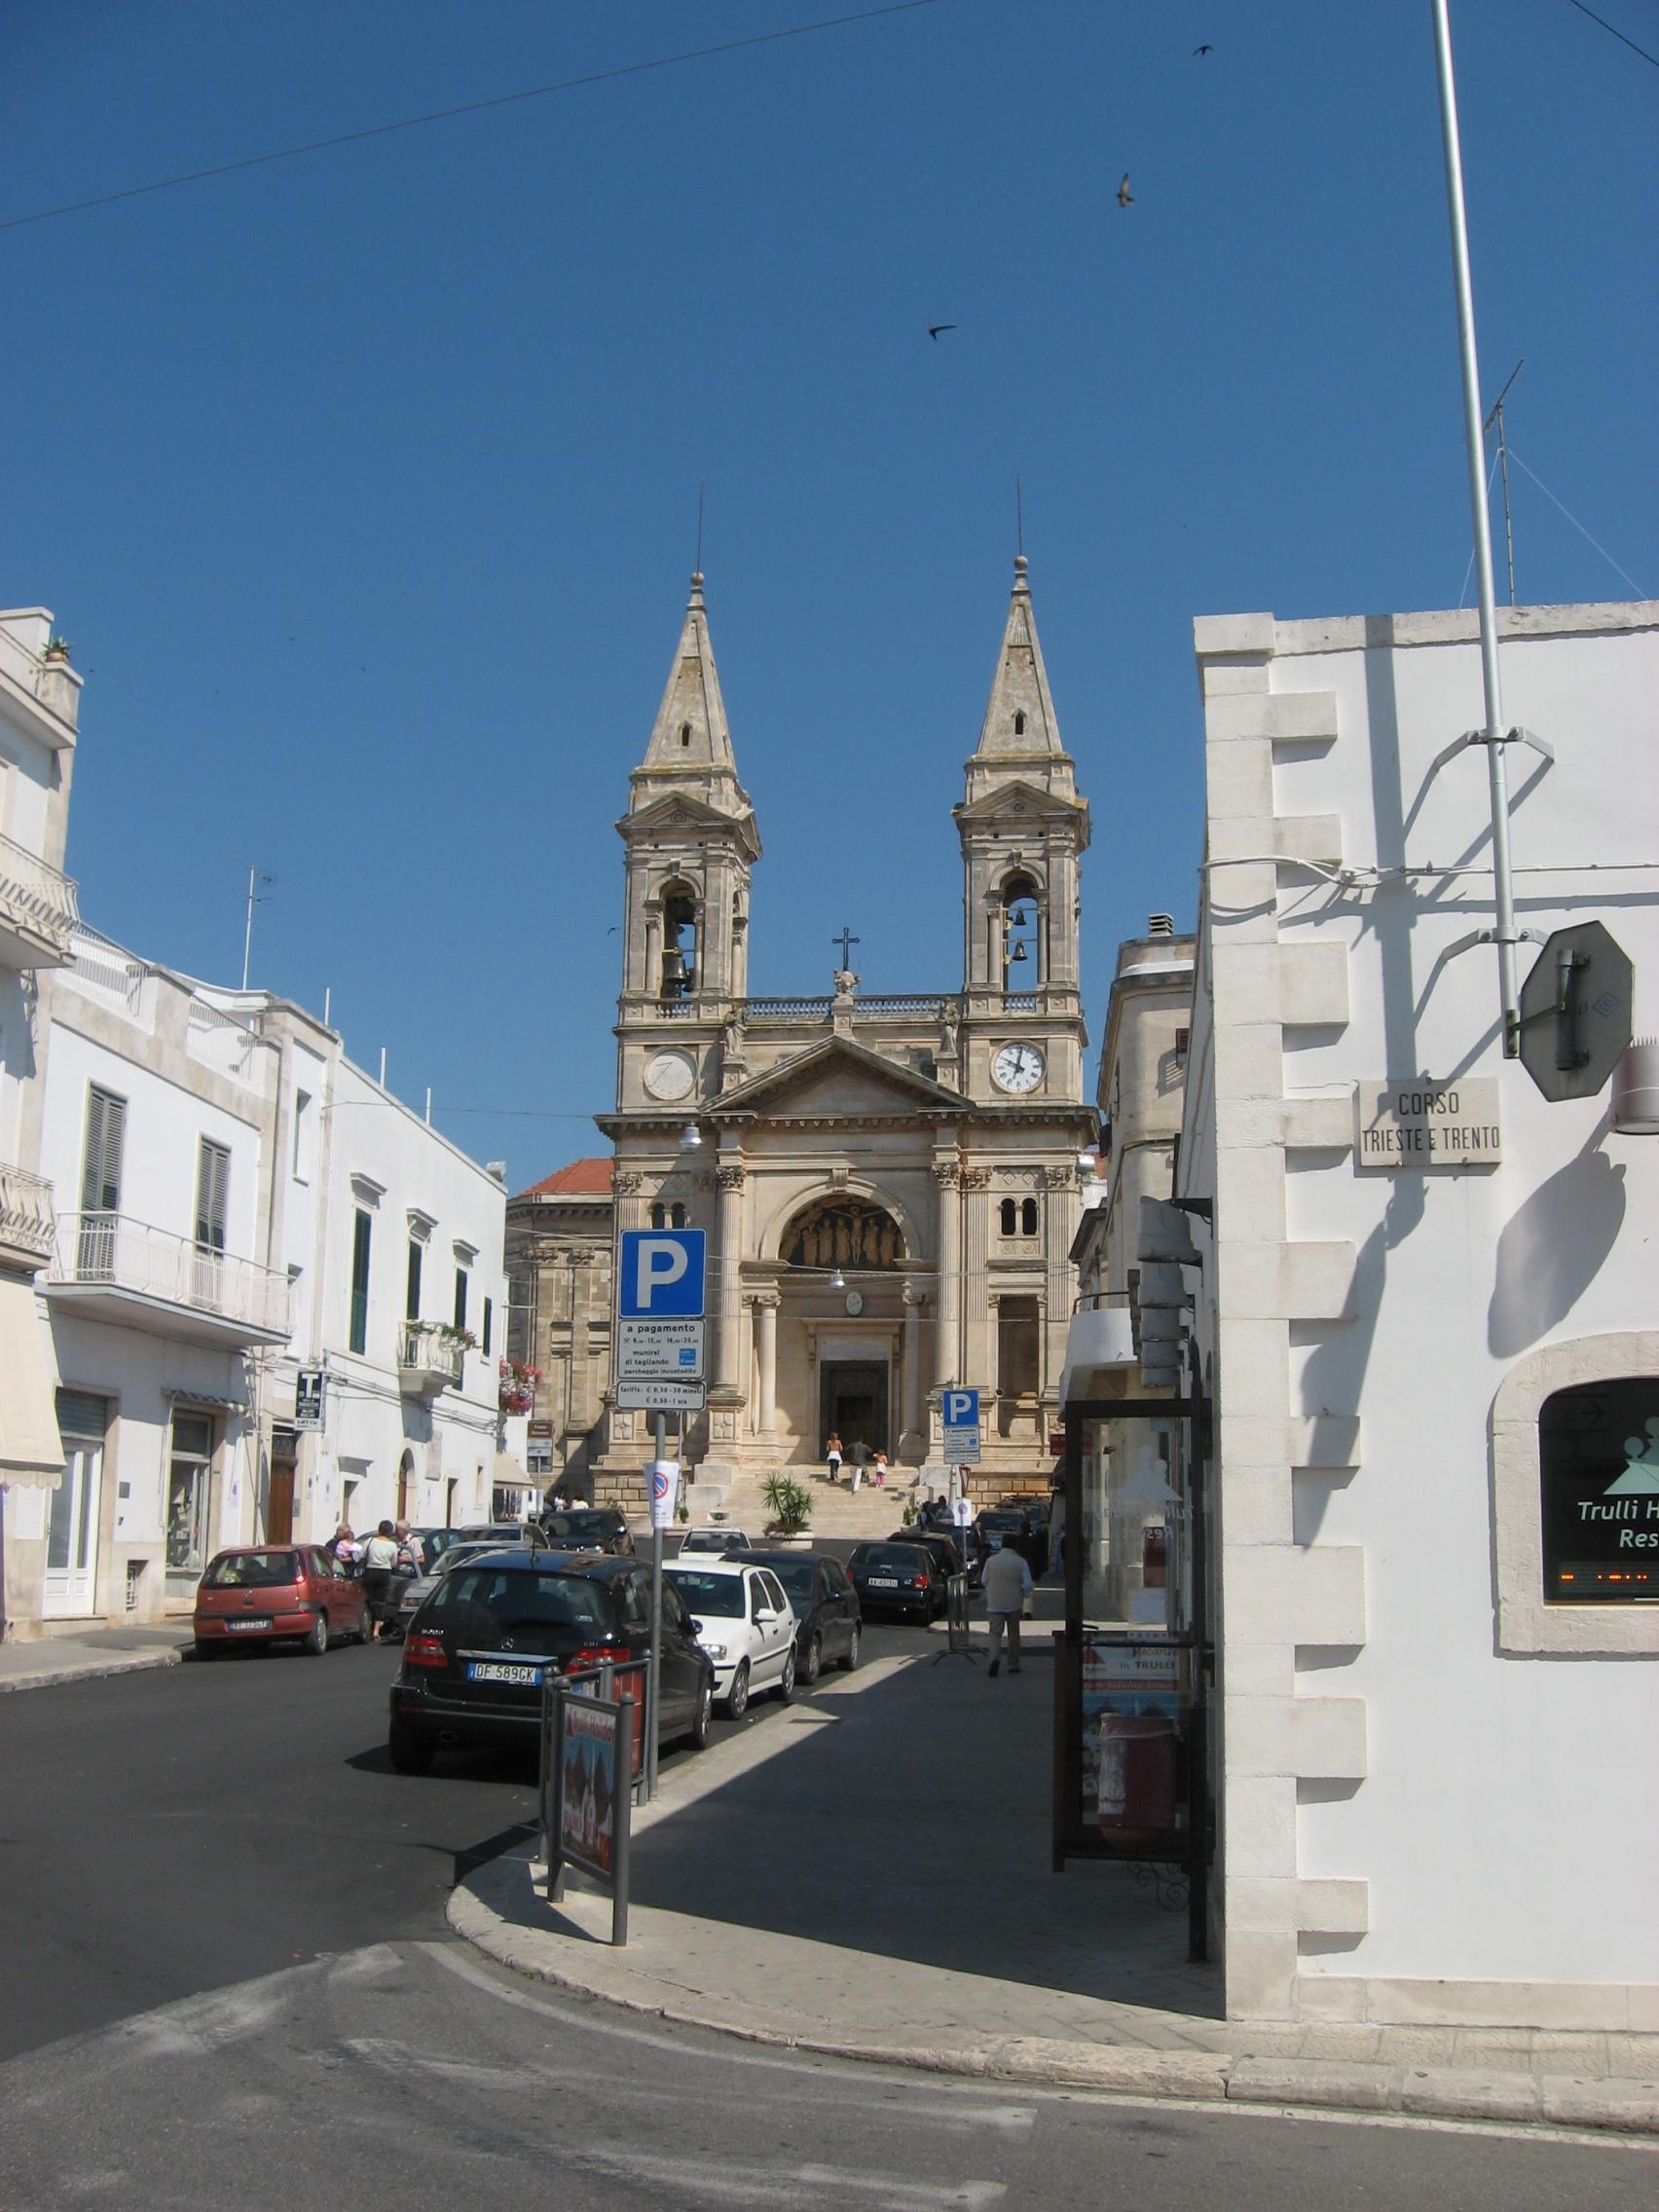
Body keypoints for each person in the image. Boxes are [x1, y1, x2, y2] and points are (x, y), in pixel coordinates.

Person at [981, 1531, 1033, 1677]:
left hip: (994, 1603)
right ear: (1015, 1545)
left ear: (1002, 1544)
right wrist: (1023, 1594)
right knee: (1013, 1634)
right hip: (1014, 1603)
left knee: (995, 1633)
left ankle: (994, 1657)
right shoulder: (1021, 1562)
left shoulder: (991, 1561)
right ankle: (1013, 1663)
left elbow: (984, 1580)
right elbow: (1028, 1584)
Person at [360, 1519, 400, 1641]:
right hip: (385, 1572)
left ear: (379, 1530)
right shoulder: (392, 1545)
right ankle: (376, 1630)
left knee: (369, 1599)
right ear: (390, 1532)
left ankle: (367, 1624)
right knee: (381, 1601)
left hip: (370, 1570)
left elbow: (361, 1555)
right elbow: (394, 1562)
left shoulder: (370, 1541)